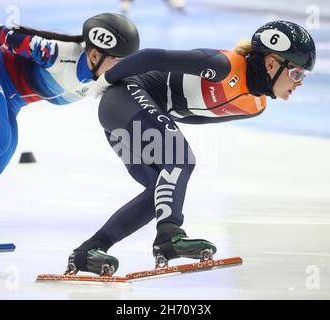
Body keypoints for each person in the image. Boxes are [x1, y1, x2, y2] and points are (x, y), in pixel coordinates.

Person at [65, 21, 316, 276]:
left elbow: (195, 115)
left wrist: (159, 123)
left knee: (161, 192)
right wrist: (104, 81)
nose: (300, 82)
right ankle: (169, 237)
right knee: (180, 160)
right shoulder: (222, 66)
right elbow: (152, 58)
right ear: (272, 64)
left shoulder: (255, 106)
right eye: (297, 73)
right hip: (123, 97)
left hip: (130, 113)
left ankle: (89, 250)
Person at [0, 13, 140, 247]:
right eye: (119, 62)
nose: (125, 69)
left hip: (8, 99)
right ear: (94, 55)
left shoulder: (103, 79)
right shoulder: (55, 53)